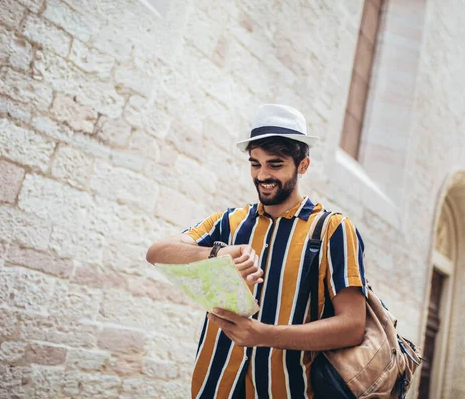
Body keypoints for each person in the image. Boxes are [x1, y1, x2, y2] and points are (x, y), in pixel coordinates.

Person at [146, 104, 367, 399]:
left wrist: (263, 335)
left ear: (303, 165)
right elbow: (157, 253)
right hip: (213, 389)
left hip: (289, 391)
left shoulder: (333, 229)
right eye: (255, 163)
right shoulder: (229, 221)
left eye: (275, 164)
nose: (262, 175)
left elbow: (352, 326)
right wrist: (216, 254)